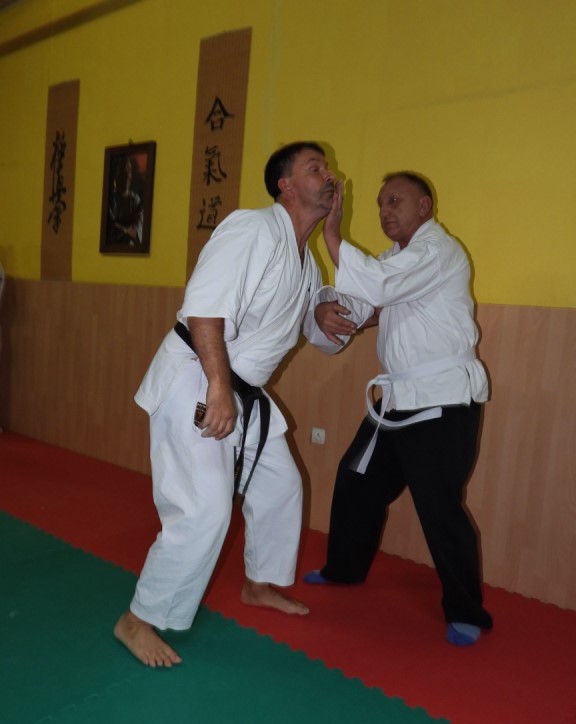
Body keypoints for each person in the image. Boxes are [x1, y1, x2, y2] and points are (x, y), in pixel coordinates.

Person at [114, 141, 375, 667]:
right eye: (316, 168)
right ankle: (137, 619)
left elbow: (304, 326)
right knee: (204, 507)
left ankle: (258, 584)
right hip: (198, 376)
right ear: (285, 185)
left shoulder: (307, 263)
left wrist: (319, 317)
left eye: (328, 168)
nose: (329, 176)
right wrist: (217, 387)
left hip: (242, 390)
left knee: (281, 486)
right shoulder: (252, 228)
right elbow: (204, 309)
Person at [304, 171, 493, 647]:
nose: (385, 211)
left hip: (441, 400)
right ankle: (344, 568)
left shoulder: (438, 250)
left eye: (395, 201)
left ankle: (466, 611)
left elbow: (381, 287)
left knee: (438, 505)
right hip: (397, 400)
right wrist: (325, 312)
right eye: (380, 204)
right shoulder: (395, 260)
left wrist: (332, 235)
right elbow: (364, 302)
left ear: (424, 207)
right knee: (356, 479)